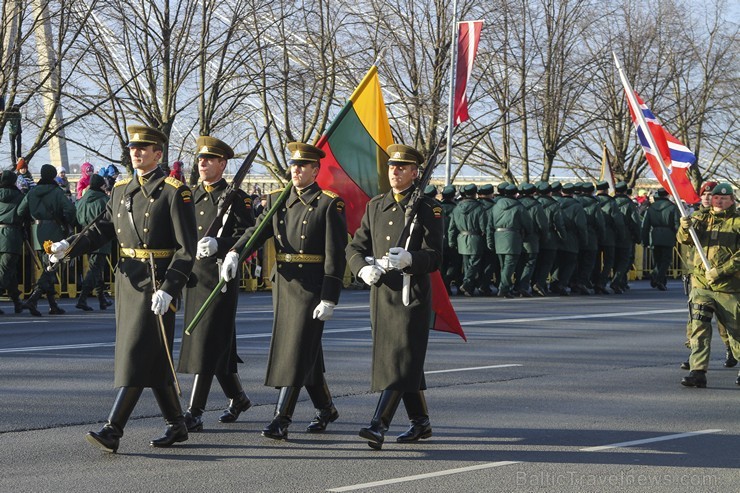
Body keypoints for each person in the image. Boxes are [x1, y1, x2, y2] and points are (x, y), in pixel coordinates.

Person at [48, 125, 197, 452]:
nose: (136, 152)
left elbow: (187, 249)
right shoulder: (121, 188)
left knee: (136, 352)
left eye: (144, 148)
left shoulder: (174, 192)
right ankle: (177, 424)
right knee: (152, 355)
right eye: (133, 148)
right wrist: (68, 246)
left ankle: (113, 428)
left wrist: (171, 287)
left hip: (158, 283)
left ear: (158, 153)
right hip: (129, 280)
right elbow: (101, 229)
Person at [221, 142, 347, 440]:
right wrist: (236, 252)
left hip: (312, 286)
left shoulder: (329, 203)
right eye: (294, 165)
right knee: (304, 350)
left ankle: (282, 418)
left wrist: (330, 295)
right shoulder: (279, 199)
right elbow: (257, 231)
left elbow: (335, 254)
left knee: (296, 350)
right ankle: (326, 408)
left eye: (303, 165)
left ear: (316, 170)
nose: (297, 169)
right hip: (285, 284)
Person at [346, 143, 442, 450]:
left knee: (401, 356)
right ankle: (421, 422)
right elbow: (355, 248)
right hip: (382, 292)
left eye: (402, 167)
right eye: (391, 167)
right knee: (400, 358)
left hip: (409, 293)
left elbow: (436, 256)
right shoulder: (376, 205)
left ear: (415, 172)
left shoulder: (428, 207)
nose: (395, 171)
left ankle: (379, 424)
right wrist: (361, 269)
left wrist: (411, 259)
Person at [177, 136, 256, 432]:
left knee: (207, 342)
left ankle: (194, 412)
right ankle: (238, 398)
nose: (203, 163)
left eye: (209, 159)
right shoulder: (190, 195)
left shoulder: (236, 197)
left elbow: (251, 231)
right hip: (195, 278)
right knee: (211, 342)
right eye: (200, 159)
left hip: (220, 277)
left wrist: (224, 245)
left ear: (222, 164)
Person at [678, 183, 739, 388]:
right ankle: (698, 371)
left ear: (732, 200)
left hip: (729, 287)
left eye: (723, 198)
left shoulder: (737, 222)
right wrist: (684, 228)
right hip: (702, 285)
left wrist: (721, 271)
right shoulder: (701, 218)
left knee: (735, 331)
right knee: (699, 328)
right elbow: (685, 240)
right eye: (715, 197)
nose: (718, 201)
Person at [17, 164, 76, 316]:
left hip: (37, 233)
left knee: (47, 268)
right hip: (54, 232)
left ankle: (53, 305)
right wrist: (65, 221)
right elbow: (70, 210)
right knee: (51, 268)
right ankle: (34, 298)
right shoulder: (57, 192)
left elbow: (20, 211)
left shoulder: (32, 192)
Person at [73, 174, 113, 311]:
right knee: (95, 268)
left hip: (85, 235)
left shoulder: (82, 200)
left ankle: (102, 299)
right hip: (101, 236)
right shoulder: (104, 200)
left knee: (95, 267)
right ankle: (82, 298)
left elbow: (77, 217)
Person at [486, 183, 531, 298]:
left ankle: (504, 286)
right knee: (509, 265)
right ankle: (504, 288)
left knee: (503, 265)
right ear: (515, 194)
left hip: (498, 237)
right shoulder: (519, 207)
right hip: (513, 238)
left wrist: (490, 240)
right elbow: (528, 224)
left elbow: (489, 225)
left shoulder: (495, 206)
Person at [447, 183, 486, 297]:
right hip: (475, 239)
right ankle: (467, 283)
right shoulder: (479, 208)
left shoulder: (457, 208)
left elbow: (452, 228)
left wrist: (451, 241)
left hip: (461, 239)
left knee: (467, 264)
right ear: (475, 194)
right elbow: (483, 226)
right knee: (474, 264)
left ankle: (469, 289)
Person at [641, 189, 680, 290]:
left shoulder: (651, 208)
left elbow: (645, 225)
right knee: (666, 260)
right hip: (668, 235)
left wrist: (644, 240)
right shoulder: (672, 207)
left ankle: (657, 277)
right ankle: (658, 279)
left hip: (654, 235)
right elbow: (677, 224)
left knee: (657, 260)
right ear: (667, 195)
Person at [533, 181, 566, 297]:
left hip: (535, 236)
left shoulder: (533, 203)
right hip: (550, 237)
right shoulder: (554, 205)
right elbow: (559, 224)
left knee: (536, 262)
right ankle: (540, 283)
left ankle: (533, 283)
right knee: (547, 262)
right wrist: (563, 236)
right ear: (549, 192)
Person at [593, 180, 625, 294]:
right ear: (607, 190)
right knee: (608, 261)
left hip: (596, 235)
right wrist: (621, 235)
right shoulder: (611, 203)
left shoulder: (594, 201)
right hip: (609, 236)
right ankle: (601, 283)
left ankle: (594, 281)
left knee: (595, 261)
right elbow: (618, 222)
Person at [515, 183, 547, 297]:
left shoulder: (515, 204)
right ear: (533, 193)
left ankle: (517, 285)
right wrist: (543, 236)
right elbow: (542, 224)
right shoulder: (536, 206)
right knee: (529, 262)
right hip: (532, 238)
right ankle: (523, 286)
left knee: (519, 263)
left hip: (517, 238)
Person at [0, 170, 25, 313]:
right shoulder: (20, 197)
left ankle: (16, 300)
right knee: (6, 270)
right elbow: (23, 213)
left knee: (10, 270)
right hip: (11, 235)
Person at [612, 181, 641, 293]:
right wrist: (638, 237)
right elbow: (635, 222)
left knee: (616, 260)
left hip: (613, 235)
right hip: (626, 235)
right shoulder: (629, 204)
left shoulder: (611, 202)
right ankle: (617, 281)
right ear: (625, 191)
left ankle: (621, 282)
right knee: (624, 260)